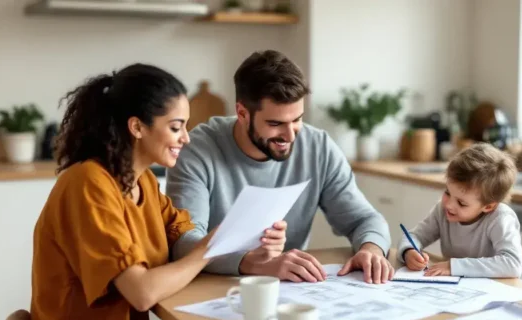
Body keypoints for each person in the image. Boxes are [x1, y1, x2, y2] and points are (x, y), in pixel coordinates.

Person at [30, 63, 284, 320]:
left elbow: (185, 238)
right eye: (176, 126)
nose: (186, 137)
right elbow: (142, 291)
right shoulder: (88, 185)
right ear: (137, 127)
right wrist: (214, 246)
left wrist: (247, 246)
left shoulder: (143, 182)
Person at [166, 50, 394, 286]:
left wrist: (371, 250)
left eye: (297, 120)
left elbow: (365, 219)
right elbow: (183, 244)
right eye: (275, 124)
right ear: (242, 114)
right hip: (209, 288)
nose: (289, 135)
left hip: (289, 288)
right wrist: (254, 263)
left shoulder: (318, 147)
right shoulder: (197, 150)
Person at [398, 143, 522, 279]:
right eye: (447, 192)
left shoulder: (500, 218)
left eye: (461, 203)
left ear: (488, 206)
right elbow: (414, 236)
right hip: (464, 290)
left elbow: (513, 264)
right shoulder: (442, 210)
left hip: (507, 292)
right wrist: (409, 251)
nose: (449, 205)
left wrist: (453, 267)